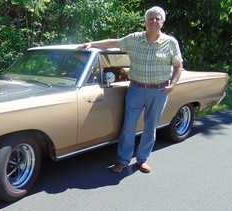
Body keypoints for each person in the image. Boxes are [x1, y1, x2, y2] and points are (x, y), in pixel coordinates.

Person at [78, 6, 184, 173]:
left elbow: (178, 66)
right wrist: (91, 44)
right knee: (128, 126)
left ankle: (142, 159)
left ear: (162, 22)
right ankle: (123, 160)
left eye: (157, 18)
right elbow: (114, 42)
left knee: (151, 126)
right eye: (151, 18)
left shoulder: (170, 43)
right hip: (136, 89)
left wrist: (172, 85)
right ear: (145, 21)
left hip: (159, 90)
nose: (154, 21)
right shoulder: (134, 39)